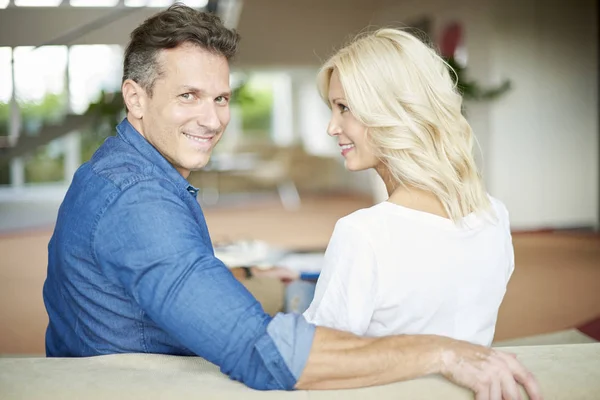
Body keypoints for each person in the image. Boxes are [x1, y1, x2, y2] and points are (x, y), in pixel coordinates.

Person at [42, 4, 541, 399]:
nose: (214, 120)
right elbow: (262, 352)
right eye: (189, 95)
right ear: (135, 98)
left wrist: (260, 289)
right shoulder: (137, 200)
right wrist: (444, 352)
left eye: (221, 98)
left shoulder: (119, 173)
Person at [289, 28, 515, 348]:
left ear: (390, 110)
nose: (332, 127)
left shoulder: (362, 234)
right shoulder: (495, 215)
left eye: (344, 108)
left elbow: (316, 355)